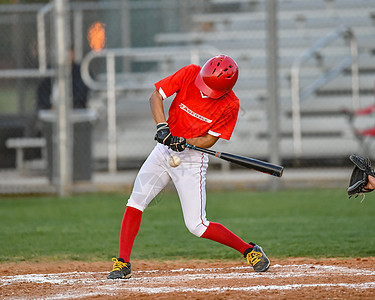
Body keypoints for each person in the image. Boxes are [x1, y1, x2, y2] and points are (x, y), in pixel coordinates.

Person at [107, 55, 270, 280]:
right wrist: (163, 127)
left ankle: (249, 250)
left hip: (192, 159)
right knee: (136, 201)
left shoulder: (230, 104)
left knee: (197, 225)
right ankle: (122, 263)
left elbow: (210, 140)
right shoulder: (190, 73)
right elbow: (156, 96)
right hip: (164, 151)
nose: (204, 91)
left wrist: (187, 141)